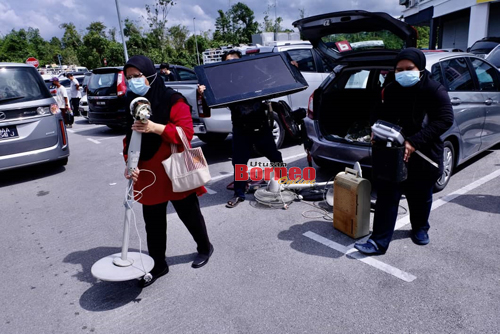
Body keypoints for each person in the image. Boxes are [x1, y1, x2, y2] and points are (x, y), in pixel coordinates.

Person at [123, 55, 213, 287]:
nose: (133, 81)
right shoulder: (132, 102)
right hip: (147, 173)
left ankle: (205, 247)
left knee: (189, 214)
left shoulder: (172, 99)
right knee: (152, 223)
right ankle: (158, 264)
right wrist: (129, 165)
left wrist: (155, 127)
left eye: (138, 76)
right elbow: (128, 138)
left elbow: (186, 133)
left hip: (174, 169)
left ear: (150, 75)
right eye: (129, 77)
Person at [354, 48, 454, 255]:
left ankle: (420, 228)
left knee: (421, 195)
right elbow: (377, 113)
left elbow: (445, 120)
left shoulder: (434, 90)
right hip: (393, 152)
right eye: (399, 69)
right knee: (387, 196)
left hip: (424, 152)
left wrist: (415, 141)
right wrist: (375, 130)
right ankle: (378, 242)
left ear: (420, 68)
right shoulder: (390, 90)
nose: (403, 73)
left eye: (409, 68)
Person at [198, 49, 283, 208]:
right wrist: (203, 94)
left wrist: (290, 67)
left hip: (260, 126)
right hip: (241, 128)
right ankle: (239, 193)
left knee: (274, 155)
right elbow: (209, 103)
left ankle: (284, 184)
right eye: (227, 62)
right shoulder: (223, 85)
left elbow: (276, 77)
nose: (231, 65)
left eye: (234, 61)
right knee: (239, 162)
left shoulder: (255, 79)